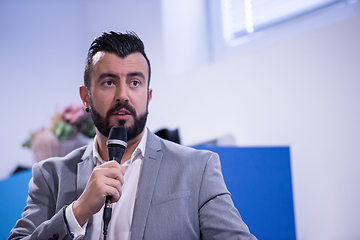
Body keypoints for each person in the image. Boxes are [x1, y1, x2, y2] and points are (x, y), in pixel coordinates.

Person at [9, 31, 257, 240]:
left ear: (148, 96)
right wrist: (77, 212)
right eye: (109, 82)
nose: (123, 95)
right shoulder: (51, 176)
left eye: (135, 82)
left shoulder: (197, 168)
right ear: (86, 97)